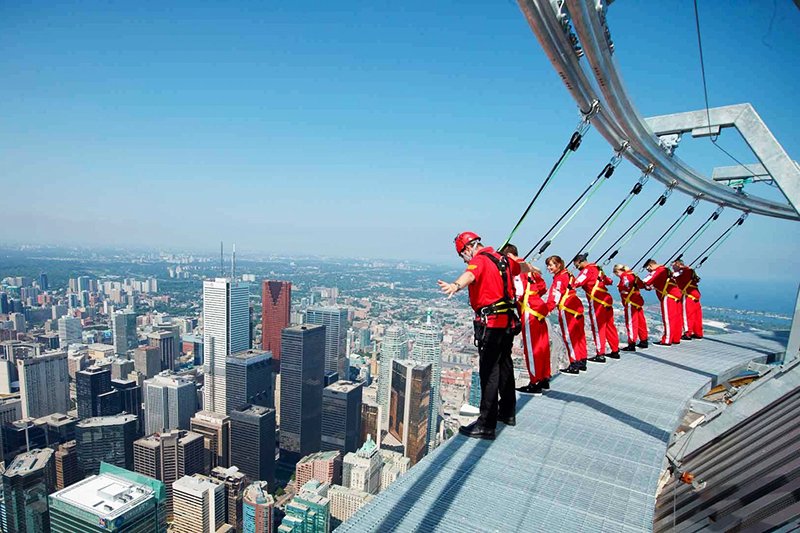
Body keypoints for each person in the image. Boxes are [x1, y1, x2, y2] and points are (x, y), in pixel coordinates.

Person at [438, 231, 524, 440]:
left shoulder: (480, 260)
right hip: (507, 321)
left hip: (491, 324)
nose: (464, 259)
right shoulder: (503, 258)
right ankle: (507, 412)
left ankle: (486, 424)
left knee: (489, 373)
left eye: (462, 254)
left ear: (468, 248)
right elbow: (521, 267)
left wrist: (455, 286)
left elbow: (470, 275)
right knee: (505, 365)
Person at [500, 244, 551, 395]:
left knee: (532, 348)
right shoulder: (530, 268)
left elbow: (518, 292)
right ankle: (544, 377)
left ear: (508, 256)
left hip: (529, 311)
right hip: (538, 309)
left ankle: (535, 382)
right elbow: (543, 287)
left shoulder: (517, 270)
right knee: (542, 346)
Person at [572, 253, 620, 362]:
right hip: (606, 301)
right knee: (609, 326)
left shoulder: (586, 270)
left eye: (576, 265)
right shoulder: (597, 268)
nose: (576, 268)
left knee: (598, 328)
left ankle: (600, 354)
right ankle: (615, 350)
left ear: (579, 261)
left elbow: (577, 283)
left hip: (597, 302)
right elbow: (608, 281)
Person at [545, 255, 587, 374]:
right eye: (548, 265)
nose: (548, 268)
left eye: (551, 265)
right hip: (576, 307)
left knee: (569, 337)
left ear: (558, 265)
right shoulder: (568, 274)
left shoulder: (559, 279)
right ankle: (582, 361)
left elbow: (555, 296)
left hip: (567, 309)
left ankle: (574, 363)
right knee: (579, 335)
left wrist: (546, 309)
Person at [641, 259, 683, 346]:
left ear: (650, 266)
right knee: (676, 319)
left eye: (648, 269)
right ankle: (675, 338)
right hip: (676, 295)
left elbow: (646, 281)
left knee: (668, 319)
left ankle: (667, 340)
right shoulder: (665, 270)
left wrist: (636, 282)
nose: (648, 271)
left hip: (668, 296)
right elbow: (657, 283)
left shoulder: (658, 271)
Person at [613, 263, 649, 351]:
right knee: (641, 321)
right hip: (637, 300)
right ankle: (644, 340)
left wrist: (623, 290)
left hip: (630, 301)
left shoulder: (625, 276)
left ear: (617, 271)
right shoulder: (633, 275)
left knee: (631, 322)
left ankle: (632, 343)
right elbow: (641, 285)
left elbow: (626, 286)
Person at [671, 259, 703, 340]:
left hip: (688, 295)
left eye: (673, 266)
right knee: (696, 316)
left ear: (678, 264)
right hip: (695, 295)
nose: (672, 268)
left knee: (686, 315)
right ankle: (698, 333)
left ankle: (687, 333)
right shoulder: (690, 271)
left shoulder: (682, 271)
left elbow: (673, 275)